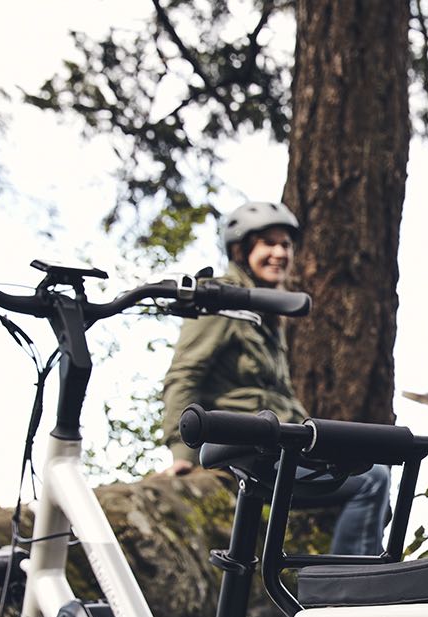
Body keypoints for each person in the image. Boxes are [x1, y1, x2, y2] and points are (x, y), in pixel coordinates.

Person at [162, 200, 391, 556]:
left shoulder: (266, 315)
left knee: (366, 467)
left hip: (272, 444)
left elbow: (280, 398)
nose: (279, 253)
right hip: (238, 448)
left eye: (285, 245)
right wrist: (182, 452)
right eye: (268, 243)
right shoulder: (221, 300)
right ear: (242, 250)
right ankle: (350, 591)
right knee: (373, 480)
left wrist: (321, 441)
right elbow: (185, 373)